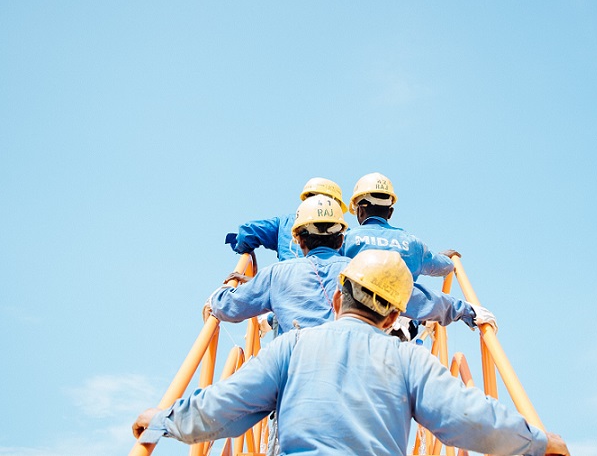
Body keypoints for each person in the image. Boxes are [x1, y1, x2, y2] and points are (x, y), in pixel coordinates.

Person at [133, 249, 570, 456]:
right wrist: (537, 441)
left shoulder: (290, 348)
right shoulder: (411, 359)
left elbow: (223, 407)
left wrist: (160, 423)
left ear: (338, 299)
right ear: (392, 317)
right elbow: (468, 416)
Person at [205, 194, 497, 336]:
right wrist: (467, 311)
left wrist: (225, 289)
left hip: (295, 383)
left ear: (299, 238)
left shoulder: (275, 275)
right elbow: (419, 298)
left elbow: (227, 307)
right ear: (341, 235)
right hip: (356, 382)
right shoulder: (365, 270)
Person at [342, 172, 455, 281]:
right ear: (390, 212)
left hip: (356, 300)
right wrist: (445, 258)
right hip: (403, 300)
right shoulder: (413, 243)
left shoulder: (346, 239)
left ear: (360, 211)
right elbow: (445, 266)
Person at [224, 177, 348, 261]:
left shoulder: (284, 224)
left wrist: (246, 251)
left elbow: (246, 234)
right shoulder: (344, 233)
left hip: (285, 288)